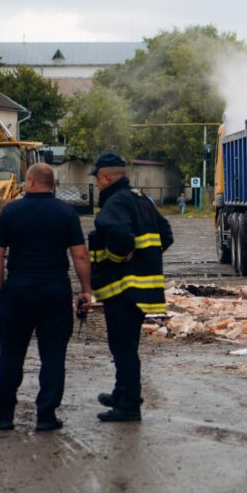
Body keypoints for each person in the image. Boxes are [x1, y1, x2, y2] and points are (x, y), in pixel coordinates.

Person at [0, 163, 92, 432]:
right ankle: (46, 415)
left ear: (31, 182)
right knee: (53, 355)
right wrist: (85, 290)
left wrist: (0, 288)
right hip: (55, 290)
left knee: (10, 354)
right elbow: (79, 254)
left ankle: (3, 415)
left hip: (18, 291)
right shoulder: (66, 213)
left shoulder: (11, 211)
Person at [88, 153, 173, 422]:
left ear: (107, 177)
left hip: (122, 290)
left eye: (99, 180)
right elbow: (166, 234)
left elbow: (122, 238)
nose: (98, 185)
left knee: (123, 348)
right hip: (142, 290)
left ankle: (128, 406)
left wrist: (118, 259)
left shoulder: (115, 203)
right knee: (127, 346)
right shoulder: (142, 200)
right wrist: (147, 260)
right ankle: (121, 393)